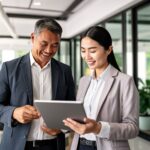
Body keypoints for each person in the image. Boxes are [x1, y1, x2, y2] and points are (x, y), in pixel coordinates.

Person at [0, 18, 75, 150]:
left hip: (53, 145)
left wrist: (63, 128)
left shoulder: (65, 71)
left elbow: (71, 110)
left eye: (55, 45)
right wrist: (13, 113)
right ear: (33, 37)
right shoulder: (9, 68)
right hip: (17, 145)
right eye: (44, 43)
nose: (49, 50)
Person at [63, 26, 139, 150]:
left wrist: (98, 128)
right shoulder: (83, 81)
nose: (86, 56)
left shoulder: (125, 82)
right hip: (80, 145)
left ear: (109, 50)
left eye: (92, 51)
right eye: (83, 50)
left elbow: (132, 128)